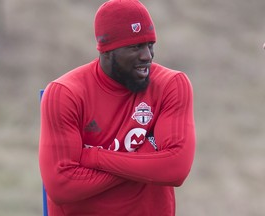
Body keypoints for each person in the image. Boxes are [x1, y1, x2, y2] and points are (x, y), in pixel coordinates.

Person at [39, 0, 196, 215]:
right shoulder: (65, 93)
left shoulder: (171, 84)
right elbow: (62, 187)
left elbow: (175, 169)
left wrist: (94, 158)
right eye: (135, 47)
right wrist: (147, 161)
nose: (147, 56)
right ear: (106, 51)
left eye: (150, 44)